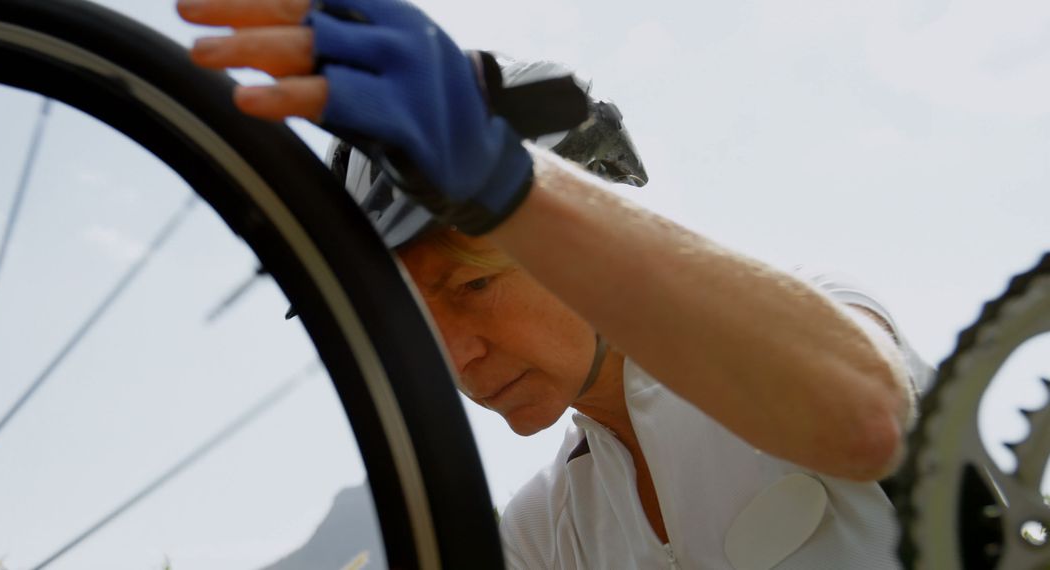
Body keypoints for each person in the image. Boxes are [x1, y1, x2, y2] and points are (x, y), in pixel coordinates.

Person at [178, 0, 932, 567]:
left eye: (470, 288)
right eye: (414, 320)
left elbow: (867, 419)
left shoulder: (806, 316)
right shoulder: (550, 527)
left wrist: (511, 185)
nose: (457, 358)